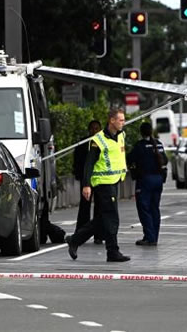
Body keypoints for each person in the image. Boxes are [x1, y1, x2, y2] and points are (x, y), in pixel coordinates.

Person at [66, 108, 130, 262]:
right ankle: (112, 251)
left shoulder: (121, 135)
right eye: (120, 120)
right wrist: (86, 185)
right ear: (112, 121)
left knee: (102, 219)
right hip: (103, 184)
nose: (123, 123)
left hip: (114, 181)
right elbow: (89, 164)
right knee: (112, 218)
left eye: (123, 119)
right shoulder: (98, 140)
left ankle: (75, 240)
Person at [128, 122, 167, 245]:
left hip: (145, 180)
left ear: (141, 132)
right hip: (158, 180)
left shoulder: (140, 146)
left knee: (144, 208)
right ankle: (153, 236)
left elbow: (129, 158)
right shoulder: (159, 145)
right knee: (155, 208)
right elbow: (165, 159)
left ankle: (150, 238)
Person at [73, 120, 103, 244]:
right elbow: (78, 161)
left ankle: (99, 235)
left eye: (97, 129)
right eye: (92, 129)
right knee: (85, 206)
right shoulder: (83, 143)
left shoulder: (103, 143)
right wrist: (80, 176)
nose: (94, 131)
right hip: (86, 179)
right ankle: (81, 233)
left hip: (100, 179)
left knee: (99, 207)